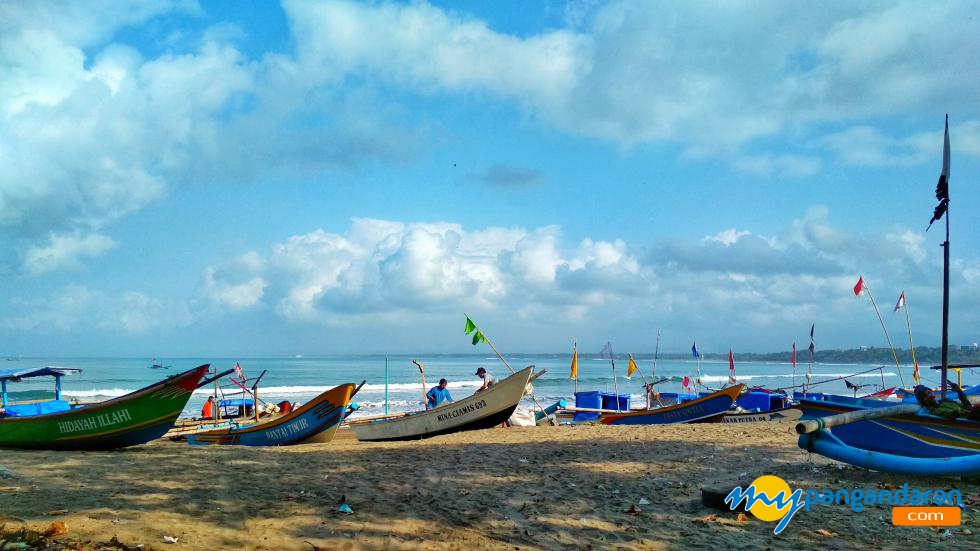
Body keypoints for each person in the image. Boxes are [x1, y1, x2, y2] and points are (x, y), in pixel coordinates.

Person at [913, 383, 980, 421]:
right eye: (925, 396)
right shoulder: (933, 410)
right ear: (923, 401)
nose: (929, 395)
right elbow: (948, 414)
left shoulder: (946, 401)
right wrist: (958, 412)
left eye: (929, 392)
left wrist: (959, 391)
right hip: (967, 420)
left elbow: (968, 407)